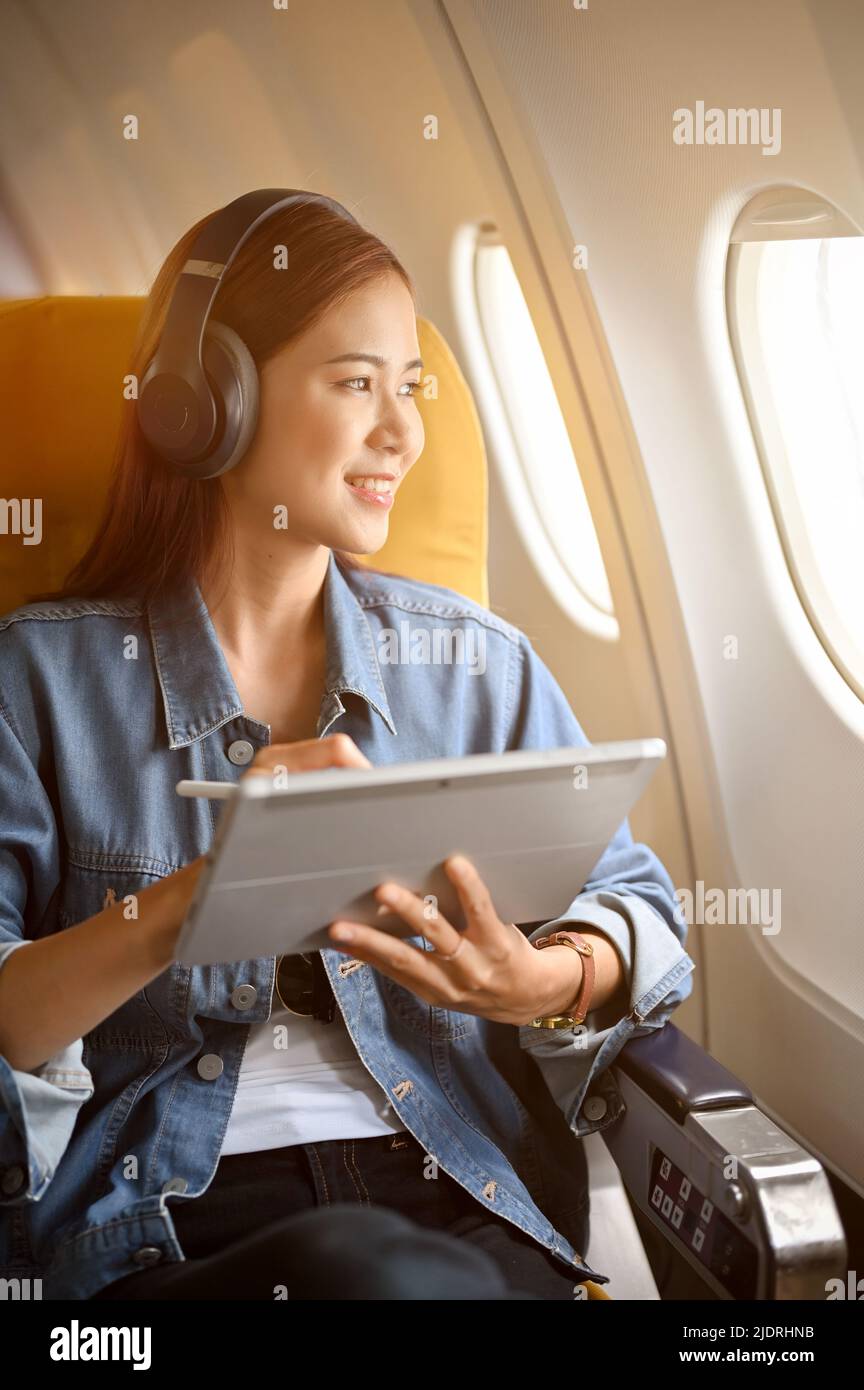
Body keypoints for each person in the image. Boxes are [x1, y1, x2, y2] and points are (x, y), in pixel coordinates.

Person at [0, 191, 695, 1301]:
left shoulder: (479, 665)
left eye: (410, 387)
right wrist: (193, 901)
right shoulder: (36, 681)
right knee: (360, 1276)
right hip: (164, 1234)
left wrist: (545, 979)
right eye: (357, 382)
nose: (404, 432)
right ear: (207, 403)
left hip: (461, 1194)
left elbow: (643, 912)